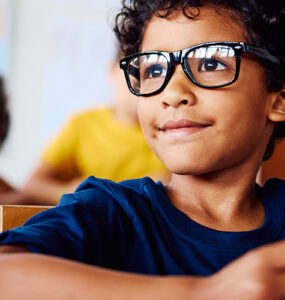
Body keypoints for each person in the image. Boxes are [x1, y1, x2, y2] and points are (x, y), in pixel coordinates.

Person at [0, 0, 284, 298]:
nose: (172, 93)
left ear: (278, 99)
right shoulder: (111, 210)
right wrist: (201, 293)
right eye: (154, 70)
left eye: (210, 64)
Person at [21, 51, 170, 205]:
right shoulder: (82, 124)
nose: (141, 86)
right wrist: (70, 192)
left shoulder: (170, 131)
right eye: (135, 72)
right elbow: (32, 185)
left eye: (154, 74)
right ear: (113, 70)